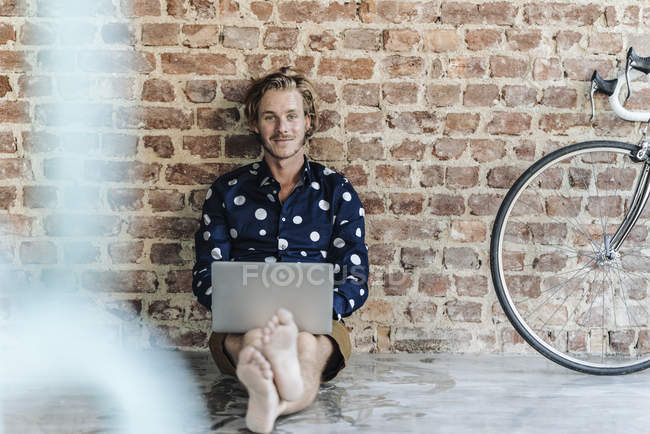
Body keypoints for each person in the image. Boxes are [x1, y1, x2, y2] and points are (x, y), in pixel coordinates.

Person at [191, 67, 369, 433]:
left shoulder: (337, 190)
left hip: (319, 325)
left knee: (306, 344)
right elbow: (206, 273)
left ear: (308, 122)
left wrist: (322, 309)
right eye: (270, 117)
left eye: (291, 116)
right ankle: (281, 390)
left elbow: (355, 276)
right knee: (254, 338)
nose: (282, 128)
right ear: (255, 124)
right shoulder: (227, 190)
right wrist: (235, 306)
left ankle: (267, 398)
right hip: (242, 324)